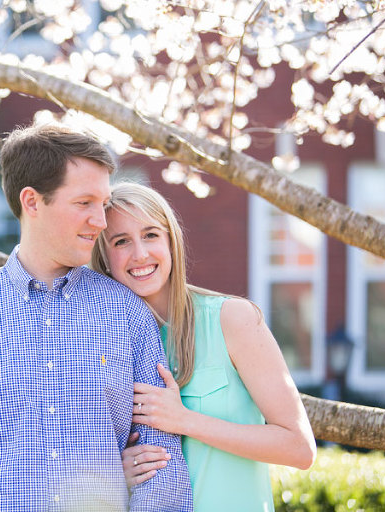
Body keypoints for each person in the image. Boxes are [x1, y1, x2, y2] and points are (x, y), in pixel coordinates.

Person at [0, 124, 193, 511]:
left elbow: (160, 458)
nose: (101, 221)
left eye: (103, 204)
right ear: (32, 202)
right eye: (85, 203)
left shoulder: (128, 315)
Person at [91, 182, 317, 511]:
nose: (139, 253)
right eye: (121, 241)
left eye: (151, 235)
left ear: (171, 242)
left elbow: (299, 449)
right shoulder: (103, 346)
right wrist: (116, 473)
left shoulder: (233, 320)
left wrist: (184, 420)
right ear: (105, 257)